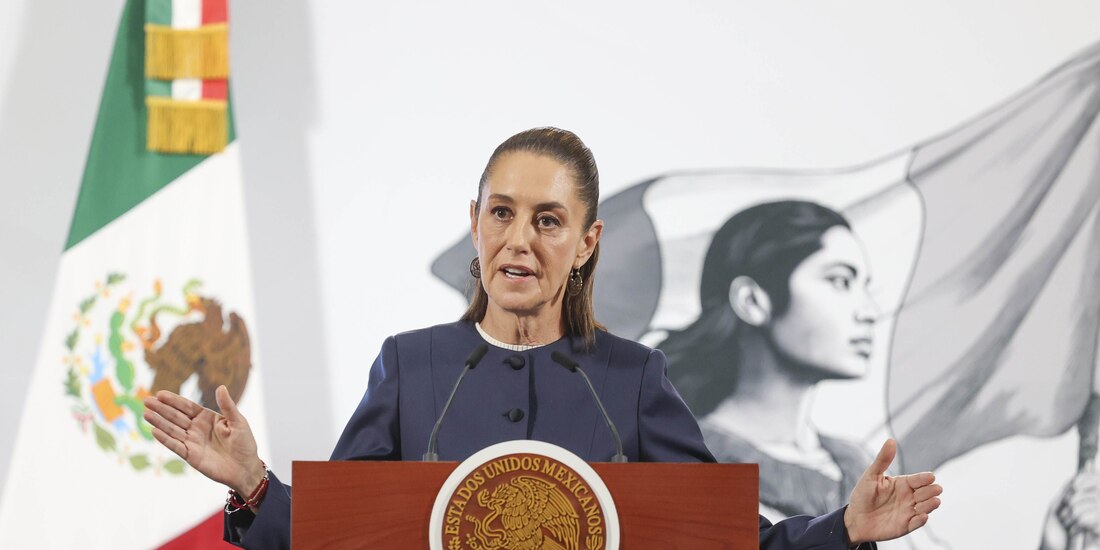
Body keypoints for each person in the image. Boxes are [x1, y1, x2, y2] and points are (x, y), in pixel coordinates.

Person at [143, 127, 942, 549]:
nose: (519, 241)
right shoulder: (408, 365)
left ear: (587, 243)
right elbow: (337, 539)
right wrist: (252, 481)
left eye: (547, 221)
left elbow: (729, 545)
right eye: (502, 213)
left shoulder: (636, 380)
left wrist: (845, 529)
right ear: (475, 224)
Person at [659, 201, 880, 520]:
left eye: (865, 287)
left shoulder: (858, 465)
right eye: (840, 281)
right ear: (752, 301)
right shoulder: (681, 460)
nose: (869, 312)